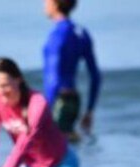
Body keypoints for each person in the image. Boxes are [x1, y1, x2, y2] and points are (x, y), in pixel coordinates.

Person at [0, 57, 82, 167]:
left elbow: (21, 148)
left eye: (4, 85)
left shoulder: (37, 103)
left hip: (62, 161)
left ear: (18, 79)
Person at [42, 0, 101, 139]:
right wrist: (90, 110)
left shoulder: (57, 35)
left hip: (58, 100)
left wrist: (46, 109)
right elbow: (95, 75)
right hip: (74, 100)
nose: (44, 4)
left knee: (55, 152)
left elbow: (53, 75)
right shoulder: (81, 33)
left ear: (55, 4)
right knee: (68, 145)